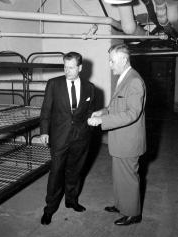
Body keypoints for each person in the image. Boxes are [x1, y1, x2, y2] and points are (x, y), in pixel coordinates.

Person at [88, 43, 146, 226]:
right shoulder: (124, 77)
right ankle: (122, 205)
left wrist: (102, 122)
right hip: (120, 140)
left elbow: (132, 113)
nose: (110, 64)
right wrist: (102, 112)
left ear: (123, 59)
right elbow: (116, 107)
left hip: (128, 141)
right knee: (120, 176)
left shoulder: (134, 81)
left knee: (128, 177)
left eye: (112, 61)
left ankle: (133, 213)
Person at [40, 51, 95, 225]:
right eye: (65, 67)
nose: (67, 71)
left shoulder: (90, 87)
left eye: (71, 67)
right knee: (56, 172)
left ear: (80, 67)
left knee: (75, 171)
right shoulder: (54, 84)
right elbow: (46, 110)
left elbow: (90, 112)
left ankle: (71, 200)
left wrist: (87, 130)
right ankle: (49, 209)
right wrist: (44, 131)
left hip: (80, 137)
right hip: (59, 136)